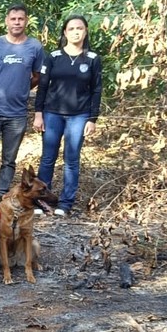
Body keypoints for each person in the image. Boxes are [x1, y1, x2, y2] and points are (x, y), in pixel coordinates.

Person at [32, 14, 103, 216]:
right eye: (71, 29)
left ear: (86, 31)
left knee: (71, 159)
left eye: (79, 28)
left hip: (79, 115)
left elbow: (96, 90)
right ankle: (42, 202)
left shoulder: (92, 59)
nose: (75, 32)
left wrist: (92, 119)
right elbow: (43, 87)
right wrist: (39, 114)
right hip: (52, 113)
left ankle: (65, 203)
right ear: (65, 32)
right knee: (47, 158)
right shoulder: (54, 57)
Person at [0, 4, 45, 196]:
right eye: (13, 19)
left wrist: (22, 89)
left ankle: (0, 192)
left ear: (26, 21)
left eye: (21, 19)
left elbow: (37, 76)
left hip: (16, 114)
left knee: (9, 158)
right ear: (6, 21)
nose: (17, 22)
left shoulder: (35, 47)